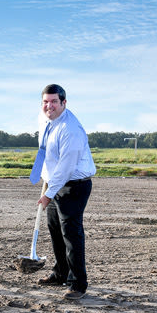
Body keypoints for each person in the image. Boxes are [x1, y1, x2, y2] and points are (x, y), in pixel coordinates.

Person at [32, 84, 96, 300]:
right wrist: (44, 177)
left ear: (64, 103)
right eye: (45, 102)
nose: (49, 106)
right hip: (55, 183)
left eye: (54, 102)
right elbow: (47, 151)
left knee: (71, 233)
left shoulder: (70, 129)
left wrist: (49, 193)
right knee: (55, 229)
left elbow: (66, 166)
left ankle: (77, 283)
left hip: (74, 185)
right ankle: (60, 273)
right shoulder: (46, 120)